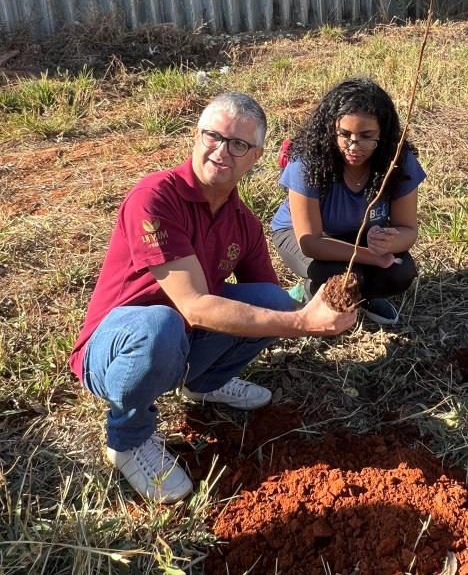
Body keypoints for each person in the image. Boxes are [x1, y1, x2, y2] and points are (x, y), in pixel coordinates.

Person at [70, 92, 355, 504]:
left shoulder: (244, 224)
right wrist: (302, 323)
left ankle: (206, 383)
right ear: (195, 136)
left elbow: (274, 303)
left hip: (182, 342)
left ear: (255, 156)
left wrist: (326, 307)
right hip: (118, 347)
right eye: (213, 136)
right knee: (160, 324)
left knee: (270, 300)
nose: (221, 151)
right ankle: (127, 439)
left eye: (238, 144)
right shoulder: (155, 197)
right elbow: (195, 306)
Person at [271, 78, 425, 324]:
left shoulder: (398, 161)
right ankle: (310, 292)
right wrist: (372, 257)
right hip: (305, 236)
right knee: (337, 276)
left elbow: (409, 232)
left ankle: (362, 295)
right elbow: (311, 242)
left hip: (358, 233)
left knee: (400, 272)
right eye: (344, 134)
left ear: (383, 134)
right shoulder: (307, 161)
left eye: (366, 136)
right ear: (330, 128)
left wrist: (389, 242)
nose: (353, 146)